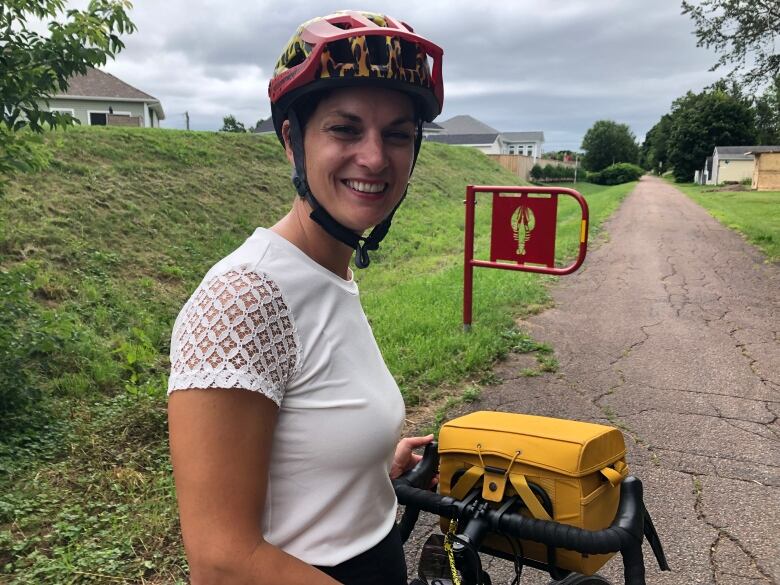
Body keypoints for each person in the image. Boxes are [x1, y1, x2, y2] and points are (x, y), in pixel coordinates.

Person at [167, 10, 444, 585]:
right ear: (293, 139)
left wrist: (368, 468)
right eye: (345, 129)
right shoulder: (244, 299)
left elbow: (299, 443)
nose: (374, 157)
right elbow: (221, 563)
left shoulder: (326, 274)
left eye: (398, 134)